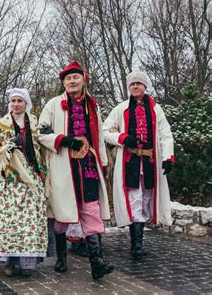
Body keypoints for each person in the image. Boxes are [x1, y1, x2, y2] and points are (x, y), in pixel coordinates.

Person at [38, 61, 114, 280]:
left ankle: (97, 263)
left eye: (76, 77)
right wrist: (63, 140)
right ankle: (62, 258)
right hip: (64, 166)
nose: (72, 81)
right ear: (63, 82)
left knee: (91, 210)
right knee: (62, 216)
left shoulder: (93, 106)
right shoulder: (53, 105)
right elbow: (41, 132)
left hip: (88, 166)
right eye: (68, 78)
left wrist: (103, 161)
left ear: (83, 79)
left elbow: (98, 137)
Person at [103, 71, 174, 258]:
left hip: (150, 162)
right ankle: (136, 245)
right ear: (129, 88)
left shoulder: (156, 109)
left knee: (144, 201)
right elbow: (105, 130)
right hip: (130, 162)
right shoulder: (121, 109)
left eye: (139, 84)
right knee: (133, 200)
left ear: (145, 86)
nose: (135, 87)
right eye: (132, 84)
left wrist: (168, 157)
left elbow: (165, 134)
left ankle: (139, 242)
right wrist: (123, 138)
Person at [0, 88, 48, 277]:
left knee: (29, 223)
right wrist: (8, 146)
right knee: (9, 222)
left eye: (19, 101)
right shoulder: (2, 124)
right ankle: (9, 261)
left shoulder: (35, 122)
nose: (16, 104)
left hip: (30, 177)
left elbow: (42, 146)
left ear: (26, 103)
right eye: (13, 101)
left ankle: (27, 262)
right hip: (10, 179)